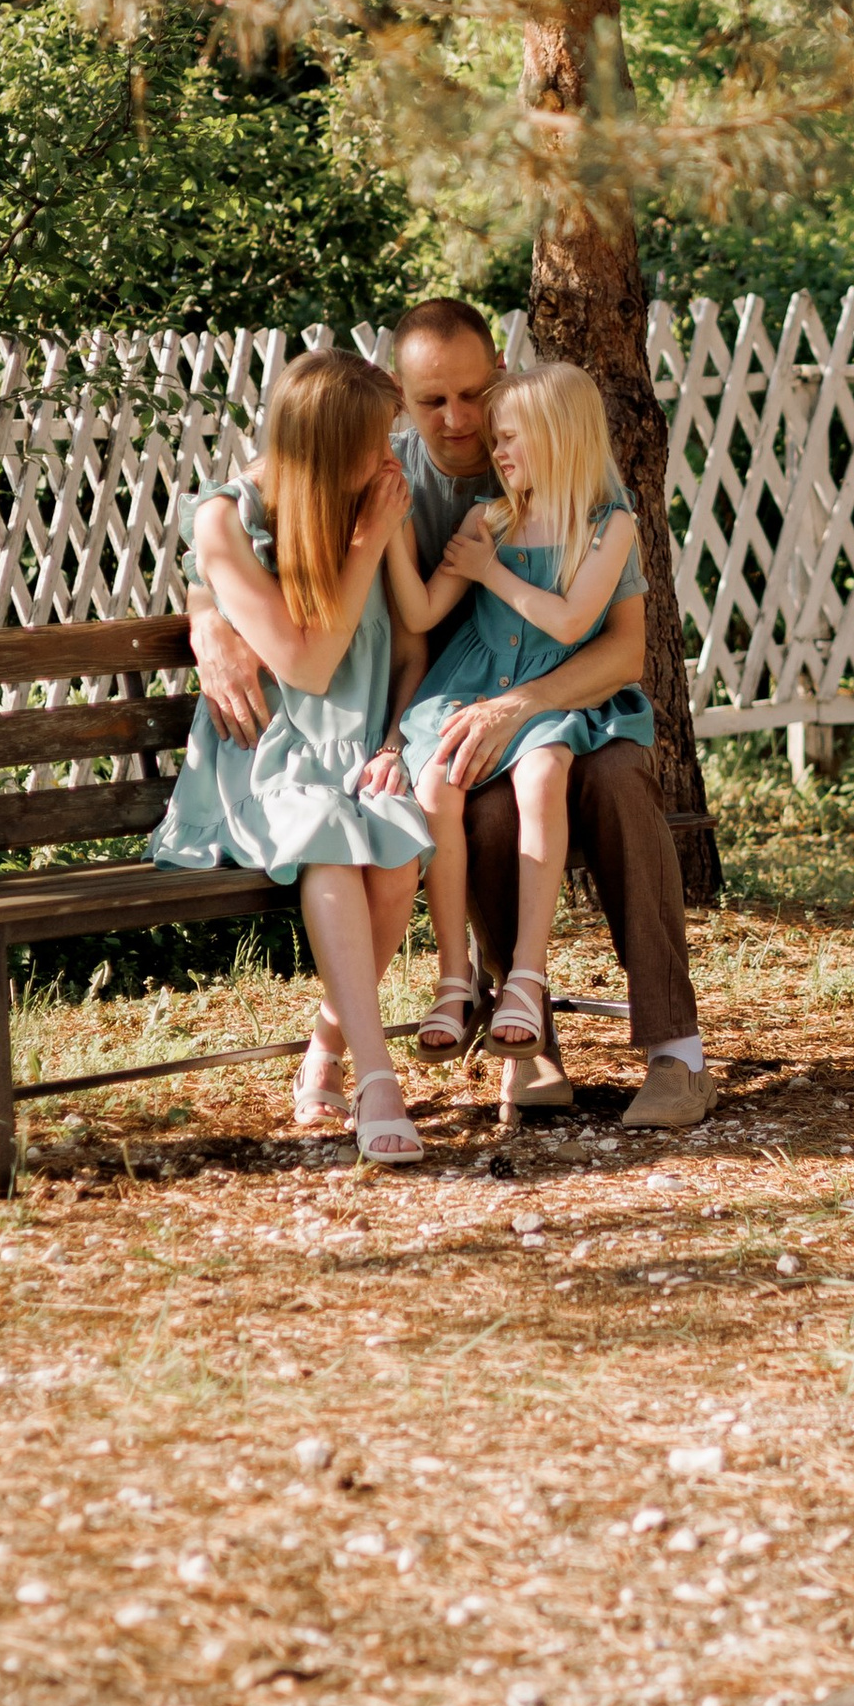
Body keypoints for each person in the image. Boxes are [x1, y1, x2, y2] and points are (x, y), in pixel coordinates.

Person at [187, 298, 715, 1126]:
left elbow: (620, 650)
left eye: (474, 397)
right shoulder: (380, 465)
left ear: (500, 379)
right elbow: (259, 504)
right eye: (432, 401)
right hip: (449, 717)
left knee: (616, 783)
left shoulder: (570, 479)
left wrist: (523, 704)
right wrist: (204, 610)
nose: (461, 421)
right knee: (490, 807)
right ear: (402, 393)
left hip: (569, 704)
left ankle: (676, 1054)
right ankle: (526, 1042)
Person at [148, 348, 434, 1167]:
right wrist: (365, 544)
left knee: (395, 858)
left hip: (358, 746)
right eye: (377, 443)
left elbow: (411, 652)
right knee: (334, 849)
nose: (392, 460)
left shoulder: (376, 498)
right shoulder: (228, 523)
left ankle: (325, 1050)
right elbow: (305, 666)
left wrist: (391, 743)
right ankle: (377, 1077)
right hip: (265, 757)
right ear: (326, 448)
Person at [389, 363, 654, 1055]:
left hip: (547, 690)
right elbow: (421, 610)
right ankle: (454, 979)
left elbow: (570, 625)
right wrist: (390, 532)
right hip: (469, 687)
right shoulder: (488, 517)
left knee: (542, 779)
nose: (495, 451)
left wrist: (490, 572)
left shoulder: (609, 525)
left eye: (510, 439)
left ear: (558, 439)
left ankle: (528, 975)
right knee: (437, 786)